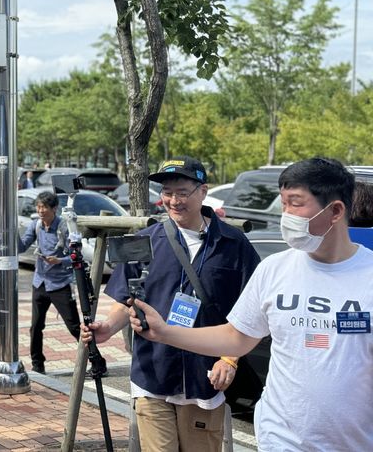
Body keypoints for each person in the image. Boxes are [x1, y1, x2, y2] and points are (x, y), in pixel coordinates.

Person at [122, 157, 373, 451]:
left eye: (296, 203)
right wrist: (164, 332)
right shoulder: (274, 269)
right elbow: (236, 336)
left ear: (335, 211)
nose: (286, 215)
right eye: (284, 203)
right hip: (279, 438)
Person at [82, 156, 260, 452]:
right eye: (167, 193)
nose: (173, 200)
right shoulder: (145, 240)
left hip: (206, 378)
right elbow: (129, 300)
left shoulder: (234, 244)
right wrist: (107, 328)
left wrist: (229, 359)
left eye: (182, 192)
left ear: (203, 191)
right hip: (153, 373)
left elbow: (251, 313)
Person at [19, 191, 106, 376]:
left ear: (54, 209)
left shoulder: (63, 227)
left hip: (59, 284)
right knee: (35, 327)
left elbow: (77, 253)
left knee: (75, 327)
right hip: (40, 282)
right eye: (39, 207)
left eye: (44, 208)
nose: (41, 211)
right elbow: (22, 246)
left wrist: (60, 261)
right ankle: (38, 365)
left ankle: (98, 361)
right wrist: (10, 235)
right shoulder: (35, 225)